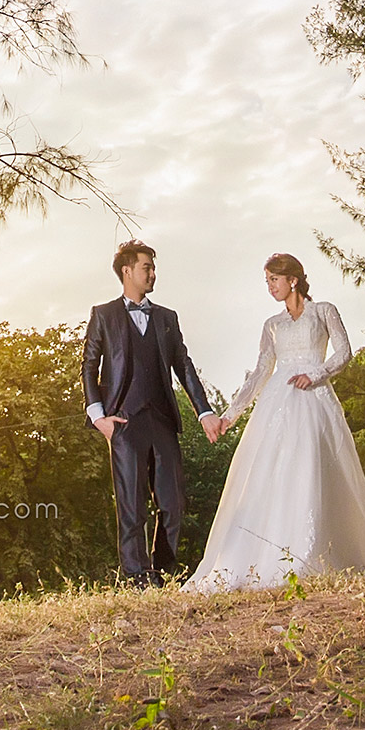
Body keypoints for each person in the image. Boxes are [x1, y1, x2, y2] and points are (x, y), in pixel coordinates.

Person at [182, 253, 365, 592]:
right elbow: (261, 371)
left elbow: (344, 352)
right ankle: (274, 553)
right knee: (273, 471)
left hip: (314, 398)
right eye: (267, 281)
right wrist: (231, 415)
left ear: (293, 280)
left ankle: (323, 549)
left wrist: (316, 374)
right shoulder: (272, 325)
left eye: (274, 279)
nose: (270, 286)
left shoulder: (324, 311)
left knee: (314, 466)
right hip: (278, 402)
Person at [80, 240, 220, 584]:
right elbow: (89, 365)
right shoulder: (104, 315)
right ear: (127, 271)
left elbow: (183, 366)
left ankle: (165, 571)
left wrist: (204, 411)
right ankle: (137, 577)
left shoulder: (166, 318)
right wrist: (99, 418)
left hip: (162, 420)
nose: (153, 274)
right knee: (132, 505)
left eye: (154, 268)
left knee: (173, 503)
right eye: (147, 267)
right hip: (123, 421)